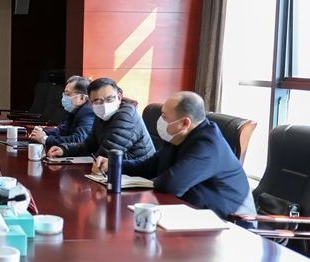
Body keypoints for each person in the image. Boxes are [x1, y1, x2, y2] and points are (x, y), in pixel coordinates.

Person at [93, 91, 256, 219]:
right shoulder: (179, 136)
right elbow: (150, 166)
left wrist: (154, 180)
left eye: (164, 117)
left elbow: (172, 184)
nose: (160, 121)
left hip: (229, 221)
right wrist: (114, 164)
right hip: (193, 212)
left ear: (185, 123)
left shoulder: (208, 145)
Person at [47, 77, 154, 162]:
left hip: (138, 175)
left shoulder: (126, 115)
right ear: (90, 103)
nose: (104, 105)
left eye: (109, 99)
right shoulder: (101, 115)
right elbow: (89, 145)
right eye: (97, 101)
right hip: (117, 170)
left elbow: (105, 157)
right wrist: (64, 149)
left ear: (119, 97)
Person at [29, 75, 94, 148]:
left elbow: (78, 140)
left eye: (67, 94)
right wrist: (42, 132)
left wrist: (45, 139)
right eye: (64, 94)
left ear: (82, 98)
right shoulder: (73, 109)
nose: (64, 97)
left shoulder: (88, 112)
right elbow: (62, 130)